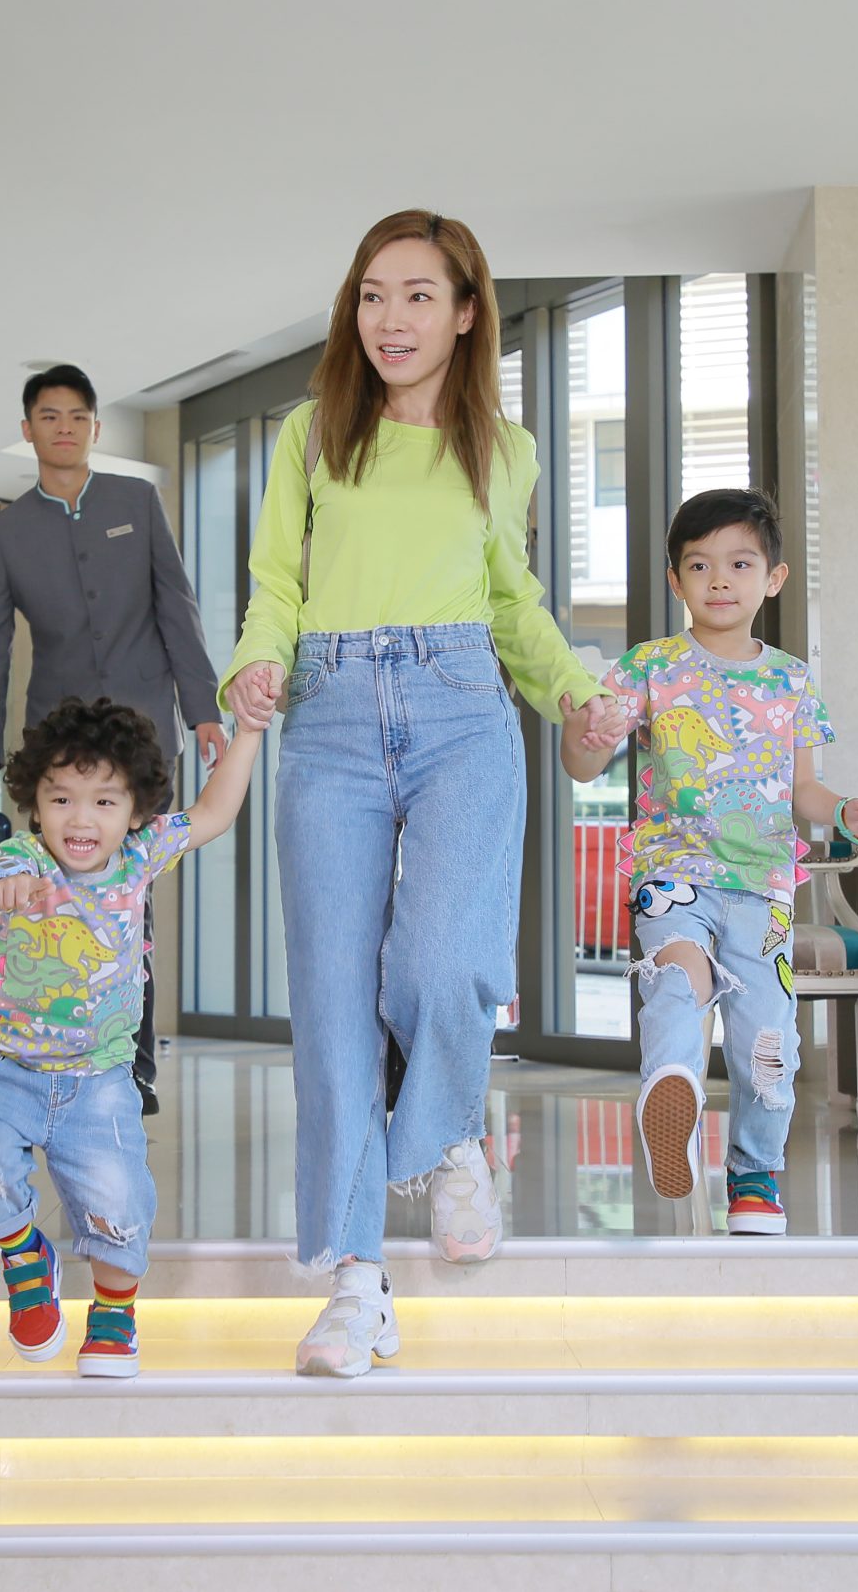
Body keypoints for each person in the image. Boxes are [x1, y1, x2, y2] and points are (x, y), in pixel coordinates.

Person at [223, 209, 626, 1379]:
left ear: (463, 313)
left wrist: (574, 690)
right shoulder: (311, 433)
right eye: (370, 295)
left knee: (444, 963)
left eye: (416, 296)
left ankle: (447, 1132)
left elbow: (513, 602)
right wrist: (254, 663)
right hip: (330, 717)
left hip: (462, 708)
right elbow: (275, 583)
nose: (389, 319)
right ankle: (356, 1286)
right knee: (332, 1012)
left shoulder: (504, 448)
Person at [563, 487, 858, 1235]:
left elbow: (804, 789)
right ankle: (671, 1090)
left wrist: (844, 811)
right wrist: (586, 734)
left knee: (767, 1043)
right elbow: (584, 763)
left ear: (773, 577)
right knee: (679, 983)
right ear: (675, 580)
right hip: (673, 872)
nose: (719, 580)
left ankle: (754, 1176)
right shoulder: (649, 667)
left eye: (740, 564)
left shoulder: (792, 680)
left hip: (762, 887)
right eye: (699, 565)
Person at [0, 695, 262, 1378]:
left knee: (120, 1200)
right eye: (61, 799)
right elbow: (8, 878)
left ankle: (114, 1309)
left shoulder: (140, 857)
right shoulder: (20, 854)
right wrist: (17, 887)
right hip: (2, 1065)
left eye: (104, 802)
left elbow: (214, 812)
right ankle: (24, 1255)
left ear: (136, 811)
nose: (80, 819)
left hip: (99, 1077)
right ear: (35, 804)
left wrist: (251, 732)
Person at [0, 363, 226, 1115]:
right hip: (59, 744)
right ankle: (51, 1045)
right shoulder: (6, 532)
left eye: (78, 416)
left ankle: (130, 1063)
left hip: (143, 740)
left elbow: (177, 608)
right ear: (28, 430)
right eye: (50, 416)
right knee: (60, 890)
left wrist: (203, 708)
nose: (66, 429)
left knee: (129, 892)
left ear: (95, 428)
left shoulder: (136, 502)